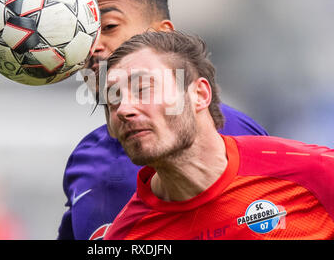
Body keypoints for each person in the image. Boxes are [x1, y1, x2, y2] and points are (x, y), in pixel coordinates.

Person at [57, 0, 268, 240]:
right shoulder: (85, 159)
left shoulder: (233, 134)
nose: (94, 46)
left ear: (161, 35)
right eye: (82, 35)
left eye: (109, 27)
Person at [103, 31, 334, 240]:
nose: (123, 109)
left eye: (143, 89)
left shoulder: (314, 173)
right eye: (113, 99)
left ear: (199, 94)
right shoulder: (127, 236)